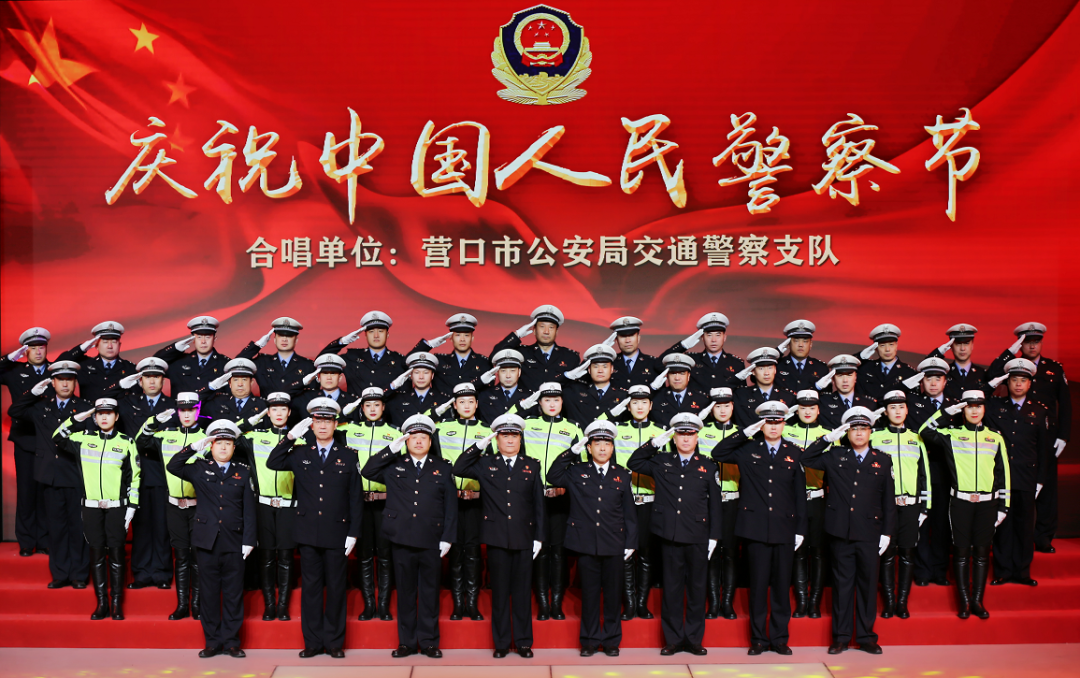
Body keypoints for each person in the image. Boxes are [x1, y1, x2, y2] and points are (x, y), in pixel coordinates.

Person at [267, 397, 362, 658]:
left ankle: (334, 642)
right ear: (311, 425)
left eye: (327, 421)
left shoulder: (348, 455)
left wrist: (354, 532)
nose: (322, 426)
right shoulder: (300, 452)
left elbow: (355, 497)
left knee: (336, 589)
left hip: (337, 532)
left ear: (335, 424)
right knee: (310, 590)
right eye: (318, 421)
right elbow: (272, 462)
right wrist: (289, 437)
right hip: (308, 532)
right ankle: (312, 642)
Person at [711, 402, 807, 656]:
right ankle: (758, 639)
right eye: (768, 422)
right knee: (758, 587)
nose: (773, 426)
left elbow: (800, 494)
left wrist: (800, 529)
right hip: (755, 528)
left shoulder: (794, 452)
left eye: (777, 422)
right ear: (761, 425)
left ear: (784, 424)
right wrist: (745, 432)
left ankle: (779, 638)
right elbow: (718, 453)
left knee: (781, 588)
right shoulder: (747, 449)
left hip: (785, 528)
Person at [801, 407, 896, 655]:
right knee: (842, 586)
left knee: (867, 586)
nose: (859, 433)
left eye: (863, 428)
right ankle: (841, 637)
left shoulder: (883, 459)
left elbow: (888, 499)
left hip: (870, 533)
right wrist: (827, 438)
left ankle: (866, 637)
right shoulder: (835, 455)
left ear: (871, 432)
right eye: (854, 429)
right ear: (846, 432)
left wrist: (887, 533)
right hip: (840, 532)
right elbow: (806, 459)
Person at [362, 414, 457, 659]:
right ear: (406, 441)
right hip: (401, 537)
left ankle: (428, 642)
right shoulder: (394, 465)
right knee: (405, 593)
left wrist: (447, 537)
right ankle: (406, 642)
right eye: (413, 437)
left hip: (432, 538)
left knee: (429, 593)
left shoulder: (443, 467)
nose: (418, 441)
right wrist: (390, 449)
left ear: (430, 441)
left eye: (423, 437)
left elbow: (450, 506)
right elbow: (368, 470)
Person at [452, 413, 544, 659]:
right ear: (497, 439)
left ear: (520, 439)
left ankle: (523, 642)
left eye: (514, 436)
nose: (510, 440)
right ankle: (502, 643)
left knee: (522, 593)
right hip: (496, 537)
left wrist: (539, 537)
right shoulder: (485, 463)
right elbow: (459, 468)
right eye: (505, 436)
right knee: (500, 593)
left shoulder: (532, 465)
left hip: (524, 536)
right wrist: (480, 445)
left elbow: (538, 504)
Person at [629, 412, 721, 657]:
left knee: (696, 589)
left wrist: (714, 536)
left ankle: (693, 639)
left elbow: (715, 504)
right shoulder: (661, 461)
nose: (686, 439)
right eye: (681, 434)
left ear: (697, 437)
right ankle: (672, 639)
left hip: (698, 535)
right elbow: (634, 462)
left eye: (690, 434)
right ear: (674, 437)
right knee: (671, 589)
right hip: (669, 533)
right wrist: (655, 443)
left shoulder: (708, 465)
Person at [167, 419, 256, 659]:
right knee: (208, 594)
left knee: (234, 594)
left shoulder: (243, 471)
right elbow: (173, 466)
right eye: (218, 443)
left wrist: (249, 540)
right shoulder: (199, 468)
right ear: (211, 445)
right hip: (206, 541)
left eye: (228, 443)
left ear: (234, 447)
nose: (223, 447)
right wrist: (193, 447)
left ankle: (232, 642)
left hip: (235, 542)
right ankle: (213, 641)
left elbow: (249, 509)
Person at [548, 420, 638, 657]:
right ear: (589, 447)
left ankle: (611, 641)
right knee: (589, 596)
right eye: (597, 443)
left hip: (614, 543)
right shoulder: (577, 471)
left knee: (612, 596)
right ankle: (589, 640)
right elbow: (553, 475)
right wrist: (572, 451)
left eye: (607, 443)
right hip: (586, 543)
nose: (602, 448)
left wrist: (631, 542)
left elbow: (629, 512)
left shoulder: (622, 475)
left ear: (612, 447)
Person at [919, 391, 1011, 620]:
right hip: (960, 503)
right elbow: (924, 431)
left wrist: (1004, 506)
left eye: (978, 406)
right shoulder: (951, 434)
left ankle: (977, 601)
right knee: (961, 553)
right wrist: (946, 411)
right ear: (963, 410)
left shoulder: (995, 438)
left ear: (984, 409)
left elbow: (1003, 474)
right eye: (969, 406)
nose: (974, 410)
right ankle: (964, 602)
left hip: (988, 505)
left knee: (981, 554)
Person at [53, 397, 140, 620]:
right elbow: (57, 437)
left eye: (108, 413)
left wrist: (132, 506)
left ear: (116, 416)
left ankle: (117, 603)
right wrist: (76, 418)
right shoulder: (83, 438)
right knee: (97, 554)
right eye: (100, 413)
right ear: (94, 417)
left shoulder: (127, 442)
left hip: (117, 508)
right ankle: (102, 603)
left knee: (117, 555)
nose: (104, 417)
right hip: (91, 508)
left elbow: (135, 477)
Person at [987, 322, 1070, 553]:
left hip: (1047, 436)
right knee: (1013, 489)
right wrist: (1009, 352)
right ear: (1020, 344)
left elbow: (1065, 403)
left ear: (1041, 342)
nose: (1032, 346)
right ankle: (1006, 538)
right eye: (1027, 342)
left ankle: (1043, 536)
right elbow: (990, 377)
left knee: (1046, 487)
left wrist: (1063, 435)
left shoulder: (1053, 368)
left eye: (1036, 341)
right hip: (1016, 435)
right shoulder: (1011, 367)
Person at [9, 360, 90, 589]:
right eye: (60, 380)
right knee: (56, 528)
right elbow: (14, 411)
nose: (65, 384)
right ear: (52, 383)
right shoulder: (41, 406)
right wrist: (32, 393)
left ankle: (79, 574)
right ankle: (60, 573)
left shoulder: (85, 407)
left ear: (75, 382)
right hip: (50, 476)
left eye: (69, 380)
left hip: (75, 475)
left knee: (78, 528)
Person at [136, 392, 207, 620]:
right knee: (181, 557)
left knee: (198, 557)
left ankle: (197, 605)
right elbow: (141, 441)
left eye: (191, 410)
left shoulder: (207, 437)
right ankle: (182, 605)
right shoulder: (166, 435)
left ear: (198, 410)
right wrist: (154, 421)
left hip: (199, 507)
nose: (186, 414)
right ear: (177, 411)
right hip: (174, 506)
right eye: (182, 410)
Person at [521, 381, 584, 620]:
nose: (552, 404)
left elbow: (580, 466)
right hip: (532, 499)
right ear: (539, 403)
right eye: (547, 400)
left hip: (560, 499)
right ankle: (543, 603)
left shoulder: (573, 428)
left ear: (562, 402)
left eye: (556, 400)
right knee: (539, 550)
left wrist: (566, 488)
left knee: (558, 551)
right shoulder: (527, 425)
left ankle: (556, 603)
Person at [985, 358, 1050, 587]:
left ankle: (1022, 572)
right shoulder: (995, 406)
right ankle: (1002, 571)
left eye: (1023, 380)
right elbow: (979, 396)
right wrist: (996, 382)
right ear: (1007, 382)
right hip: (1002, 477)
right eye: (1014, 379)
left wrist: (1040, 481)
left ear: (1030, 384)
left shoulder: (1039, 411)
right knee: (1003, 526)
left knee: (1024, 527)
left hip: (1027, 478)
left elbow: (1043, 451)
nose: (1019, 384)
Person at [337, 387, 399, 621]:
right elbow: (327, 422)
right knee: (363, 555)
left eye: (377, 405)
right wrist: (348, 409)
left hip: (385, 503)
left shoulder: (395, 433)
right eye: (367, 405)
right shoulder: (349, 430)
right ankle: (368, 605)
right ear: (361, 408)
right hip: (358, 504)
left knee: (384, 555)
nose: (372, 409)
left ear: (384, 407)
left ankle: (383, 605)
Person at [236, 392, 298, 621]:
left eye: (283, 409)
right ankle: (269, 605)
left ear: (289, 412)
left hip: (289, 507)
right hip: (262, 506)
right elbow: (229, 434)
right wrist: (251, 420)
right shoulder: (255, 436)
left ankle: (283, 606)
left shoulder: (300, 440)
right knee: (267, 557)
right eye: (273, 409)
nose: (278, 413)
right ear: (268, 413)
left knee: (286, 557)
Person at [870, 390, 931, 620]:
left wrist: (925, 507)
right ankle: (888, 602)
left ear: (907, 410)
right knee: (886, 554)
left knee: (907, 553)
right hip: (884, 507)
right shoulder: (874, 437)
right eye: (892, 407)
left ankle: (902, 603)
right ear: (885, 412)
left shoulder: (917, 438)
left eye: (901, 407)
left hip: (911, 506)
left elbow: (925, 474)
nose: (897, 411)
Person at [434, 383, 492, 621]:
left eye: (470, 401)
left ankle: (473, 603)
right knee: (455, 552)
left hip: (477, 502)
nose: (466, 406)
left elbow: (492, 470)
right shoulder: (440, 428)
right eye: (461, 402)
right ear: (454, 405)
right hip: (449, 502)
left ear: (477, 404)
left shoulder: (489, 431)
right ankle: (458, 604)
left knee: (473, 553)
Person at [119, 357, 175, 590]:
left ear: (163, 380)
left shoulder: (174, 406)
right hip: (137, 474)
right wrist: (123, 384)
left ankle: (162, 573)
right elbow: (101, 401)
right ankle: (141, 572)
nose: (152, 381)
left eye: (156, 377)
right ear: (139, 381)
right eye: (147, 377)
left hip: (163, 474)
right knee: (140, 527)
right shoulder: (127, 403)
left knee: (162, 526)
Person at [611, 384, 666, 620]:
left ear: (651, 405)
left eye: (644, 402)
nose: (640, 406)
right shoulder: (617, 430)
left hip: (650, 501)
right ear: (628, 405)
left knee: (645, 553)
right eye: (635, 402)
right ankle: (629, 603)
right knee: (624, 553)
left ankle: (642, 603)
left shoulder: (661, 432)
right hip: (622, 501)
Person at [1, 327, 53, 557]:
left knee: (45, 491)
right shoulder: (14, 371)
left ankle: (44, 540)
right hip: (25, 439)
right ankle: (26, 541)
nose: (38, 351)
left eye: (41, 346)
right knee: (26, 491)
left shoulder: (56, 370)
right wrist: (10, 358)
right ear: (25, 351)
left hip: (49, 440)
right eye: (32, 348)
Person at [905, 357, 957, 586]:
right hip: (919, 472)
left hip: (946, 473)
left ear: (945, 381)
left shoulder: (955, 407)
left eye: (938, 378)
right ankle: (922, 571)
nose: (933, 383)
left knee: (942, 524)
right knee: (921, 523)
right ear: (921, 381)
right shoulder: (912, 403)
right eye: (928, 379)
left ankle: (939, 570)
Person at [781, 390, 830, 619]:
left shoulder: (828, 434)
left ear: (818, 410)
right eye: (803, 408)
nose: (807, 412)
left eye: (812, 408)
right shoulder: (786, 431)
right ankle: (801, 601)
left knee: (818, 552)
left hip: (817, 500)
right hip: (791, 500)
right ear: (796, 410)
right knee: (798, 551)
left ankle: (814, 602)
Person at [696, 387, 742, 620]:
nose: (722, 410)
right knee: (711, 553)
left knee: (730, 553)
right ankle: (713, 603)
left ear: (732, 407)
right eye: (717, 406)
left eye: (726, 406)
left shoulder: (743, 433)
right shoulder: (701, 433)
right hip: (706, 502)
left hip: (733, 502)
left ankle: (727, 603)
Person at [491, 305, 581, 392]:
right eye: (542, 326)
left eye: (551, 327)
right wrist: (517, 335)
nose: (546, 331)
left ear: (556, 332)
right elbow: (494, 356)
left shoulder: (570, 357)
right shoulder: (522, 353)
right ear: (534, 330)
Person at [320, 311, 407, 391]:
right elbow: (322, 360)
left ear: (387, 334)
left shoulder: (399, 361)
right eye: (371, 331)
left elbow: (405, 395)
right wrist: (343, 341)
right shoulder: (352, 357)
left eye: (380, 331)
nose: (376, 335)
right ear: (365, 334)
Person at [409, 313, 492, 393]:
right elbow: (407, 363)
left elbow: (488, 394)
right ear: (451, 338)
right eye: (458, 335)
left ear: (472, 338)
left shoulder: (484, 362)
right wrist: (429, 345)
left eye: (466, 335)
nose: (462, 339)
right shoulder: (439, 361)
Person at [661, 312, 745, 392]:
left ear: (724, 337)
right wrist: (683, 345)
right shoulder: (691, 360)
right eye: (709, 335)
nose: (713, 340)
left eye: (718, 335)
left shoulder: (736, 363)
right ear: (702, 337)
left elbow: (742, 395)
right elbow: (659, 365)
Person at [57, 322, 138, 402]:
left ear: (119, 345)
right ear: (96, 345)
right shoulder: (84, 364)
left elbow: (136, 399)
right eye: (105, 342)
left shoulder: (130, 369)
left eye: (114, 342)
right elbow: (58, 365)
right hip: (89, 410)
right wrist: (81, 349)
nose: (110, 346)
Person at [236, 316, 315, 397]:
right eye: (281, 335)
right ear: (274, 339)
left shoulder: (308, 366)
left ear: (296, 340)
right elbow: (237, 364)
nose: (284, 339)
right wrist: (257, 345)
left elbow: (312, 396)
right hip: (267, 405)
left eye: (289, 336)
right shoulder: (262, 362)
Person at [154, 316, 230, 395]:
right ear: (193, 339)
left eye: (208, 337)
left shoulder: (225, 364)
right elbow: (154, 363)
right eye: (199, 337)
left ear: (214, 338)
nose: (203, 341)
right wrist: (175, 348)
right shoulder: (178, 362)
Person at [560, 344, 629, 425]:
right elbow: (551, 389)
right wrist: (567, 376)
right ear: (589, 369)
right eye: (596, 366)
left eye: (605, 366)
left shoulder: (623, 397)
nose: (600, 370)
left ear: (612, 369)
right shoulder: (574, 392)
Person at [732, 347, 797, 428]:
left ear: (775, 370)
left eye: (770, 367)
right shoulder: (741, 395)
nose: (766, 373)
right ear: (753, 371)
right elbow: (721, 394)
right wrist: (736, 379)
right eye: (761, 368)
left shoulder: (788, 397)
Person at [856, 324, 918, 403]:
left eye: (891, 344)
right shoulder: (865, 369)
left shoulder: (909, 373)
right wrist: (860, 356)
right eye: (882, 345)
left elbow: (913, 404)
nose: (887, 349)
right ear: (876, 348)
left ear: (896, 345)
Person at [385, 351, 447, 426]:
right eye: (417, 372)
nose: (421, 377)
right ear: (410, 375)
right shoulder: (398, 400)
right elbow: (378, 402)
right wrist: (392, 386)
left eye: (426, 373)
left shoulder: (443, 400)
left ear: (432, 375)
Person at [925, 324, 985, 400]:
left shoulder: (982, 374)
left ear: (972, 345)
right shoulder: (944, 373)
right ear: (951, 346)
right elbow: (925, 368)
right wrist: (939, 352)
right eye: (958, 344)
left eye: (966, 343)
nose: (962, 348)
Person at [293, 354, 359, 422]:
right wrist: (302, 382)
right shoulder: (305, 398)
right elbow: (286, 398)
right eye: (325, 373)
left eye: (333, 373)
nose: (329, 377)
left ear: (340, 378)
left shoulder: (352, 401)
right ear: (319, 377)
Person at [650, 353, 710, 425]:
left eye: (682, 373)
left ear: (688, 376)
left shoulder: (702, 400)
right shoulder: (656, 398)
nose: (677, 378)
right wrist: (652, 388)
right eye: (673, 373)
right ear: (667, 376)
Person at [819, 354, 877, 428]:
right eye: (840, 375)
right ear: (833, 379)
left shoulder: (869, 403)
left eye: (849, 375)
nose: (845, 380)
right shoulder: (823, 402)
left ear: (855, 377)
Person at [477, 349, 533, 424]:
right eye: (503, 371)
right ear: (497, 372)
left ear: (519, 372)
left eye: (512, 371)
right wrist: (479, 382)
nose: (508, 376)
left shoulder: (529, 397)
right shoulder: (485, 395)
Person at [202, 358, 267, 423]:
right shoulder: (218, 402)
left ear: (251, 382)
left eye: (244, 379)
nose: (240, 384)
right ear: (230, 383)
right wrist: (211, 387)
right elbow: (196, 407)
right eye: (236, 380)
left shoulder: (263, 405)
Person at [607, 316, 663, 389]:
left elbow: (661, 394)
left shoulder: (653, 364)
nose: (628, 340)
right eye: (623, 336)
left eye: (631, 335)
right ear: (616, 340)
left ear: (638, 338)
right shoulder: (609, 363)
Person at [775, 320, 830, 393]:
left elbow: (826, 398)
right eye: (796, 341)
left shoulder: (821, 368)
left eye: (805, 341)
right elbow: (758, 378)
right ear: (788, 344)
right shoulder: (777, 365)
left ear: (811, 344)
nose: (801, 345)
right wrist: (776, 353)